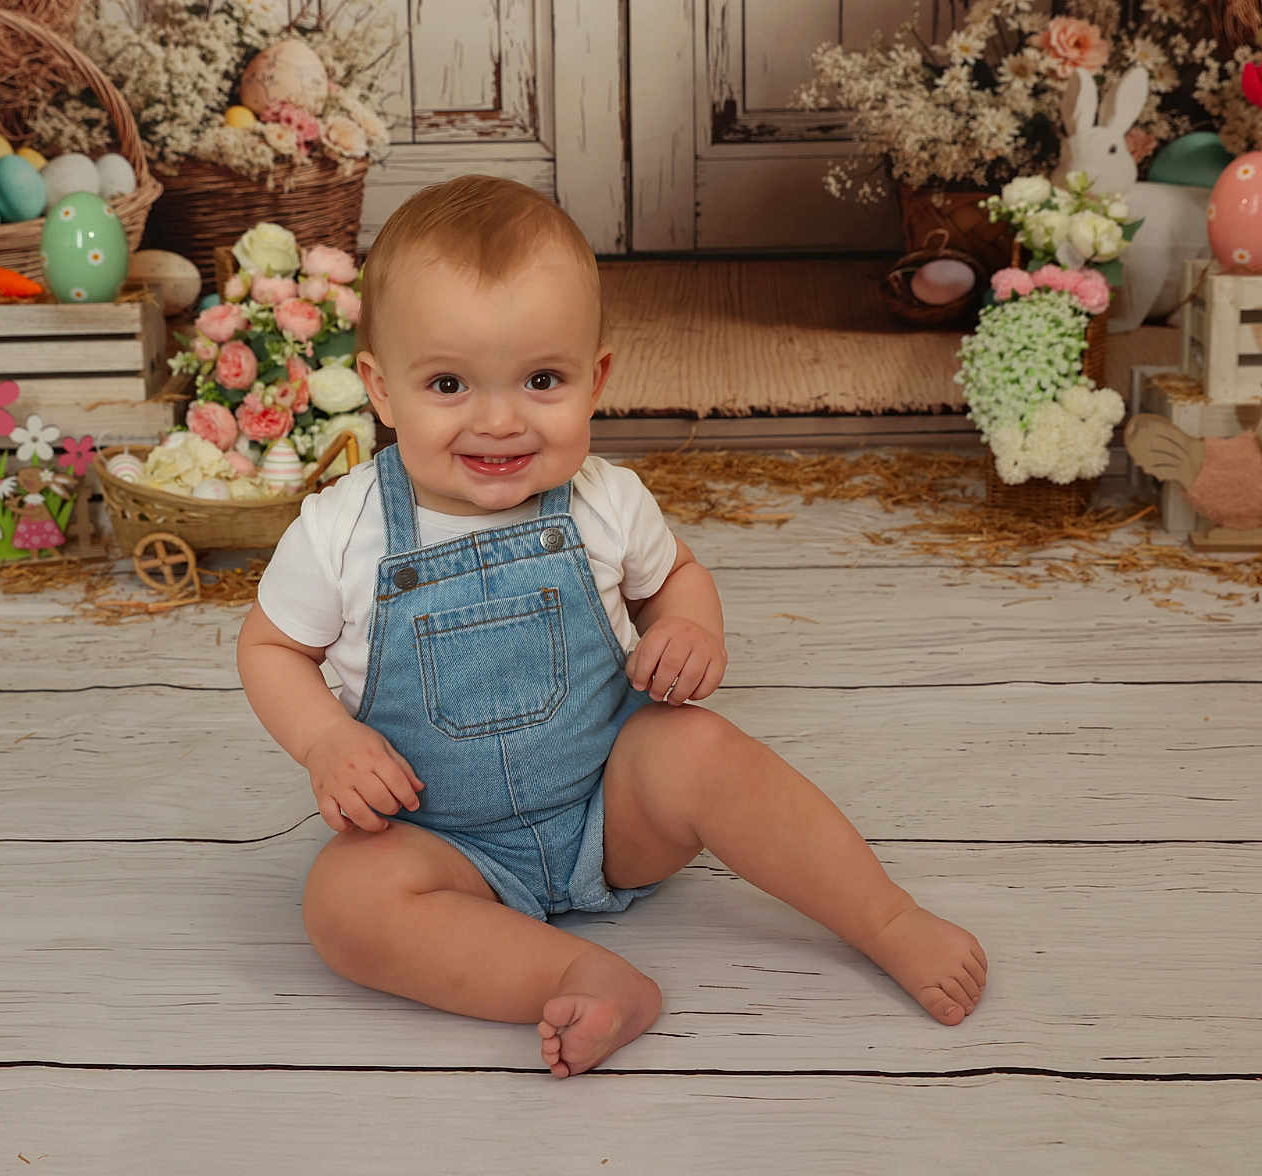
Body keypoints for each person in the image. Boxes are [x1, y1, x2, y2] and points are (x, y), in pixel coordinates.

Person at [238, 175, 987, 1079]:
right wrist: (325, 741)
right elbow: (274, 648)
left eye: (542, 380)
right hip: (445, 844)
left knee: (700, 750)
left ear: (596, 380)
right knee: (343, 900)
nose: (500, 419)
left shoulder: (603, 501)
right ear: (381, 392)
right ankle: (582, 977)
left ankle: (885, 917)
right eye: (448, 383)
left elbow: (677, 576)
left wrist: (689, 627)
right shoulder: (341, 529)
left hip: (609, 812)